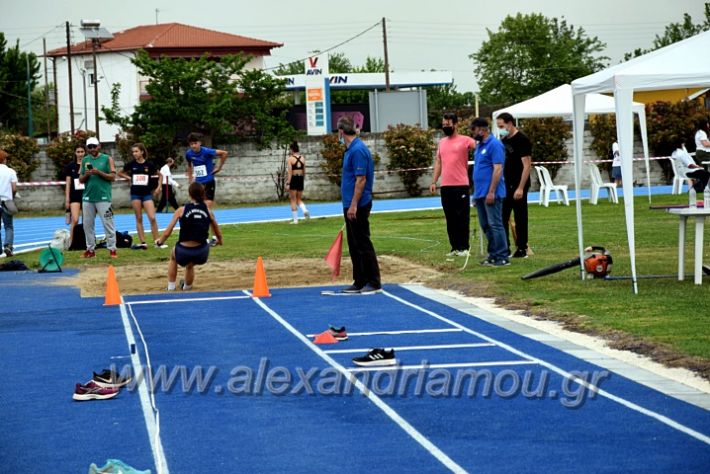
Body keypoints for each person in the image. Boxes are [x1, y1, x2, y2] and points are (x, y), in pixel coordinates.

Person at [337, 116, 381, 294]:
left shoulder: (357, 150)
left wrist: (354, 205)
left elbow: (361, 180)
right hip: (350, 203)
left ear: (341, 131)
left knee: (362, 243)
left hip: (358, 205)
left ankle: (372, 281)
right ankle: (360, 279)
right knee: (355, 244)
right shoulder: (350, 150)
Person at [155, 182, 223, 291]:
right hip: (202, 252)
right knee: (190, 265)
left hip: (183, 252)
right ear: (203, 194)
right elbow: (216, 230)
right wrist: (220, 241)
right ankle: (187, 287)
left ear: (189, 194)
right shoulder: (208, 211)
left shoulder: (181, 210)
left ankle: (171, 287)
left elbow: (168, 232)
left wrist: (160, 242)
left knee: (173, 257)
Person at [429, 112, 476, 257]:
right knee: (450, 218)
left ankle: (464, 248)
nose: (445, 127)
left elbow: (481, 149)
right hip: (446, 186)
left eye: (448, 124)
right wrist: (433, 181)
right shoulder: (442, 142)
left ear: (455, 124)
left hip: (461, 184)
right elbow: (439, 162)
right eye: (443, 125)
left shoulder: (466, 140)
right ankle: (454, 247)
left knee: (462, 217)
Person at [471, 117, 509, 267]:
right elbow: (479, 171)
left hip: (492, 193)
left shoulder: (495, 144)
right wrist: (475, 194)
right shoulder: (480, 146)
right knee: (485, 225)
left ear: (482, 129)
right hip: (480, 193)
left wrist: (491, 191)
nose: (472, 134)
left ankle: (502, 256)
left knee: (495, 224)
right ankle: (493, 254)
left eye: (473, 130)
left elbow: (498, 169)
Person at [496, 112, 532, 259]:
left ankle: (522, 247)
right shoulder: (503, 140)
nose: (500, 129)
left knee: (520, 217)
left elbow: (527, 165)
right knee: (502, 216)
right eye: (498, 127)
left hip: (518, 185)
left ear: (510, 123)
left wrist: (520, 187)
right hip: (505, 185)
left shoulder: (522, 140)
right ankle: (505, 247)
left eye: (502, 126)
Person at [118, 143, 165, 249]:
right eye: (133, 152)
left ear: (142, 152)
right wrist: (129, 178)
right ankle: (143, 242)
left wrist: (158, 187)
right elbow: (119, 173)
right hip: (135, 194)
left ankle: (157, 241)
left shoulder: (149, 165)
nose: (134, 153)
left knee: (152, 217)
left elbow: (160, 175)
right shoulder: (131, 164)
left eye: (136, 151)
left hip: (147, 194)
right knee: (139, 218)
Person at [79, 136, 117, 258]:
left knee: (108, 223)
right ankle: (90, 249)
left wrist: (99, 173)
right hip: (88, 197)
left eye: (94, 146)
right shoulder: (85, 160)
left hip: (104, 197)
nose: (92, 149)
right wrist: (87, 175)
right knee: (87, 225)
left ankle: (112, 249)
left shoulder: (107, 159)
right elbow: (80, 179)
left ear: (99, 146)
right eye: (89, 147)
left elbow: (113, 177)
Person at [185, 132, 228, 210]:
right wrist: (190, 180)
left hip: (208, 181)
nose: (193, 146)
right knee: (196, 206)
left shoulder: (207, 151)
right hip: (198, 183)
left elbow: (224, 153)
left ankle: (210, 221)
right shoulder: (188, 154)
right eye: (191, 144)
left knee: (207, 208)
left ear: (200, 143)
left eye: (195, 143)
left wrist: (219, 168)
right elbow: (189, 165)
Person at [64, 145, 86, 244]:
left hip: (87, 195)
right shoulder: (70, 166)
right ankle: (71, 242)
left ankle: (87, 242)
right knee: (75, 220)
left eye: (82, 151)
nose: (80, 154)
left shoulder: (88, 165)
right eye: (78, 152)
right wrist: (67, 198)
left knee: (87, 221)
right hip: (74, 196)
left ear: (85, 153)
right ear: (75, 153)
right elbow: (68, 183)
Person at [286, 141, 310, 224]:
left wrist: (288, 183)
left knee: (293, 199)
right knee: (299, 199)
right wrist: (302, 179)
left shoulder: (290, 159)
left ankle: (295, 220)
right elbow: (304, 171)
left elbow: (290, 172)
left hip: (293, 179)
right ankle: (305, 210)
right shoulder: (302, 158)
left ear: (292, 150)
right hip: (300, 178)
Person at [0, 148, 18, 257]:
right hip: (6, 201)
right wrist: (12, 196)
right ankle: (8, 246)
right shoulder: (11, 171)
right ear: (4, 159)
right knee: (8, 226)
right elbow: (14, 188)